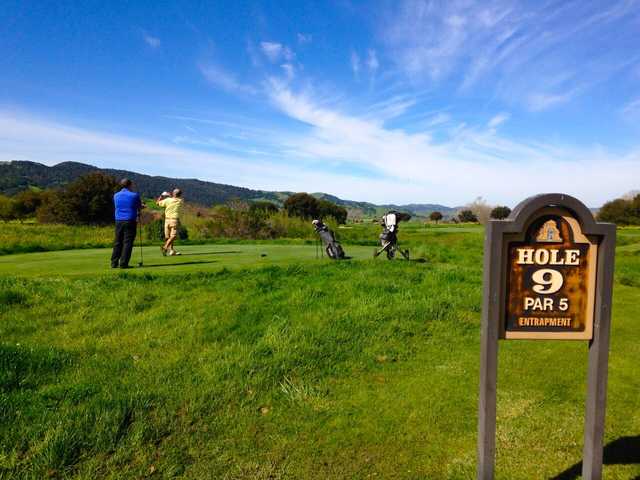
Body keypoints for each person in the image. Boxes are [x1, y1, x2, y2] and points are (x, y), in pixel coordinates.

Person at [111, 178, 143, 268]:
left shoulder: (115, 195)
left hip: (118, 220)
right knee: (127, 242)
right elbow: (139, 206)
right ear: (130, 185)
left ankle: (114, 262)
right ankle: (124, 263)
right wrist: (141, 207)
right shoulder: (134, 195)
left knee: (118, 241)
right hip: (130, 220)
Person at [156, 188, 184, 256]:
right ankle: (165, 248)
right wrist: (170, 195)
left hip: (167, 220)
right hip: (174, 220)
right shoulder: (181, 201)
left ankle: (170, 250)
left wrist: (162, 195)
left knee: (168, 237)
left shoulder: (168, 200)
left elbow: (157, 203)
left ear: (173, 193)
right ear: (180, 194)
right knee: (173, 236)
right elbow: (175, 198)